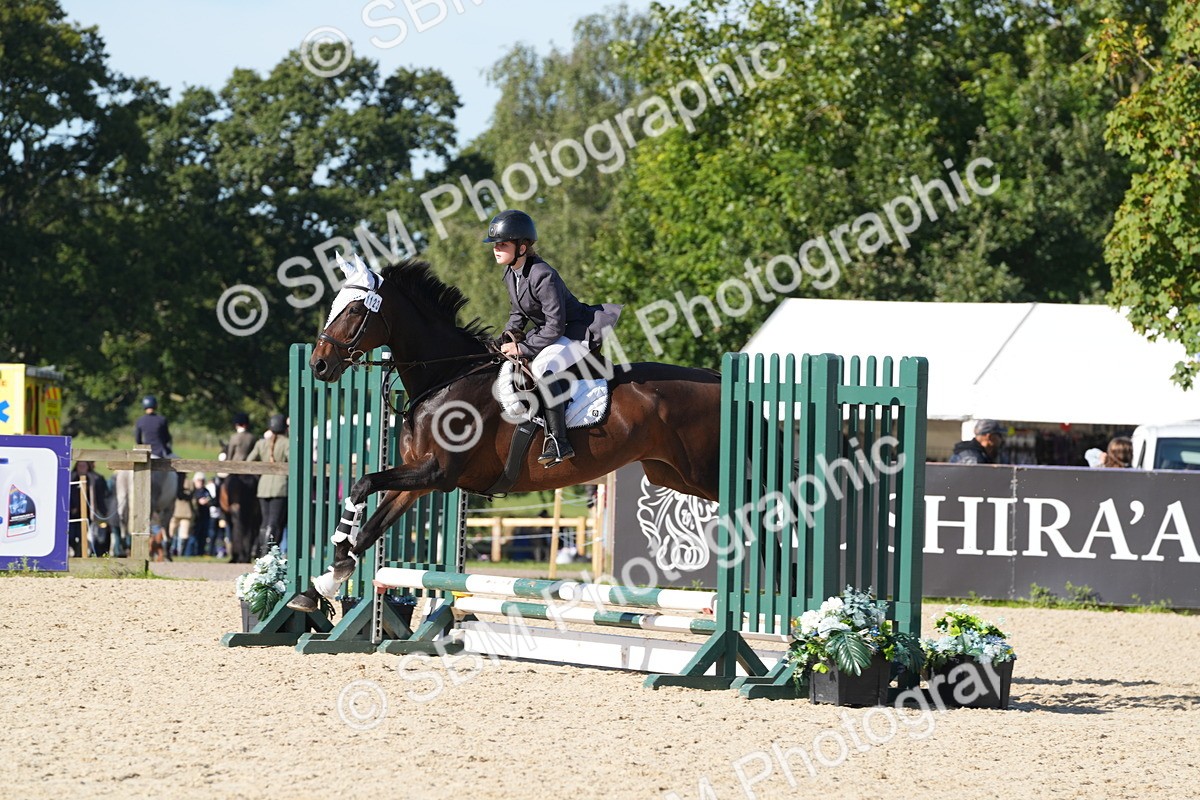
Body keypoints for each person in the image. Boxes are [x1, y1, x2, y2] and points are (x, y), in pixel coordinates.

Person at [485, 209, 622, 467]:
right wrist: (504, 340)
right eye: (495, 244)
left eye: (502, 244)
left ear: (522, 247)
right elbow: (518, 314)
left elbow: (555, 325)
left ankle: (560, 441)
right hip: (553, 331)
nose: (496, 248)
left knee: (541, 367)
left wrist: (523, 347)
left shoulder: (542, 275)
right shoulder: (511, 274)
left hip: (577, 331)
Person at [246, 413, 289, 558]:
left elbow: (249, 462)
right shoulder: (287, 443)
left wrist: (261, 475)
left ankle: (261, 552)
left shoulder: (261, 443)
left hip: (263, 486)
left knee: (264, 522)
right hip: (280, 486)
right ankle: (269, 554)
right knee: (274, 522)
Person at [68, 460, 110, 557]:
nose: (81, 468)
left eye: (84, 466)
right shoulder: (70, 478)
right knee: (71, 536)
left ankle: (80, 554)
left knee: (84, 536)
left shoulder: (95, 479)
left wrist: (104, 513)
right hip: (71, 514)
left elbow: (100, 497)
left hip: (88, 514)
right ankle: (76, 550)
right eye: (80, 466)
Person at [186, 473, 213, 556]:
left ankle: (200, 553)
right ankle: (188, 554)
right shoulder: (192, 491)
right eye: (198, 480)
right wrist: (198, 501)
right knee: (192, 538)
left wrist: (208, 501)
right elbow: (189, 501)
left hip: (205, 517)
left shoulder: (206, 491)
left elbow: (213, 500)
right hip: (194, 518)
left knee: (203, 537)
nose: (200, 482)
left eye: (202, 480)